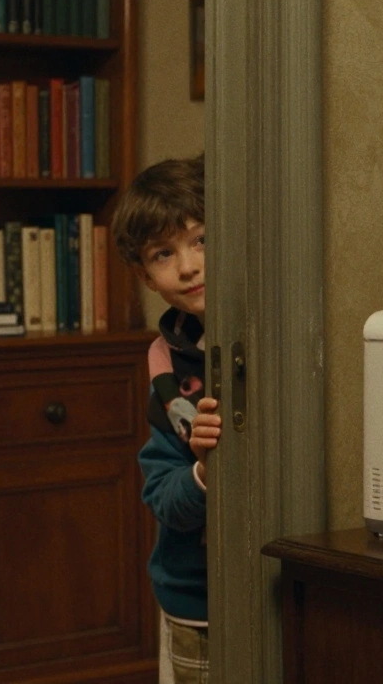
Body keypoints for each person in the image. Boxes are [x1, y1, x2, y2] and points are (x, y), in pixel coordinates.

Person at [113, 154, 223, 684]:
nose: (188, 266)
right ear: (145, 276)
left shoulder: (268, 331)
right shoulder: (165, 365)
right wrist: (201, 470)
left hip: (273, 580)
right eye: (164, 253)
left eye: (201, 240)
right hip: (195, 598)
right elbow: (162, 496)